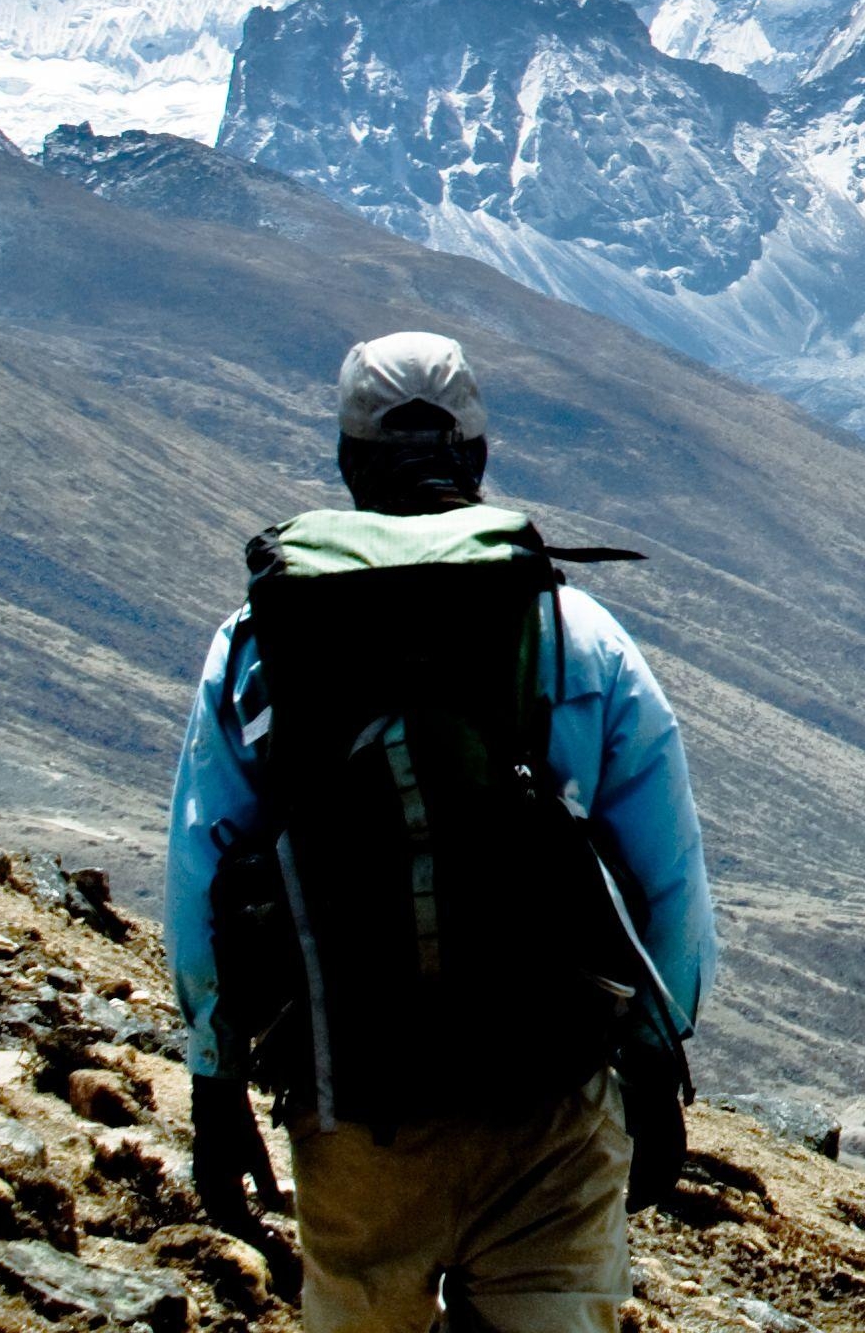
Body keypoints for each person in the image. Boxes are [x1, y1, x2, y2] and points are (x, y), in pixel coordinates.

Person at [165, 332, 715, 1333]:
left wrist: (216, 1087)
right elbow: (667, 889)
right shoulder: (572, 635)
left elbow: (206, 868)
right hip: (549, 1106)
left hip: (354, 1103)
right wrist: (653, 1062)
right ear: (477, 454)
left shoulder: (260, 643)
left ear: (348, 462)